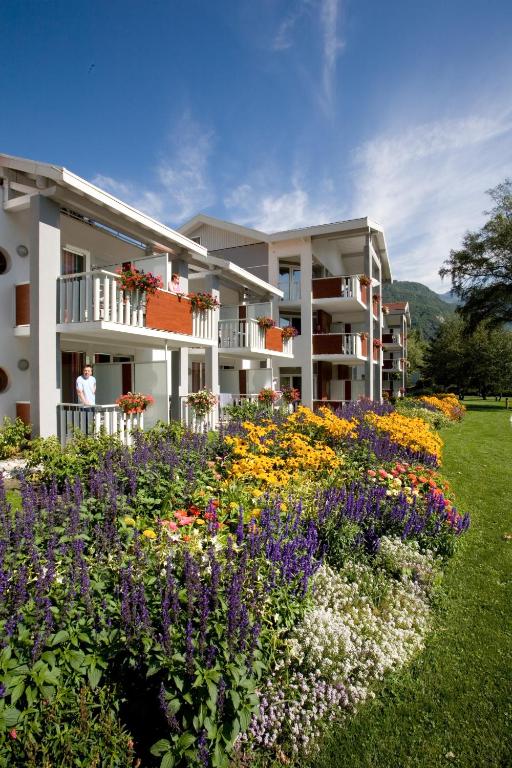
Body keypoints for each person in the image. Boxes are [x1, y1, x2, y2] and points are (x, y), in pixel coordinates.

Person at [76, 364, 96, 432]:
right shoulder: (79, 379)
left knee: (91, 422)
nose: (86, 372)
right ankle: (85, 439)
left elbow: (94, 386)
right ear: (83, 371)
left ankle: (91, 438)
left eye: (88, 371)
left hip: (92, 404)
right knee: (85, 423)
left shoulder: (93, 379)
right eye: (85, 370)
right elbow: (79, 392)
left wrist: (93, 391)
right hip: (84, 406)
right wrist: (85, 402)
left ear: (91, 372)